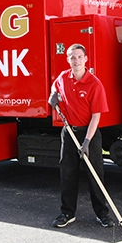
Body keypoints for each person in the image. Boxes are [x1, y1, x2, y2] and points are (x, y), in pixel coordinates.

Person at [48, 43, 113, 229]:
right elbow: (55, 86)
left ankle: (103, 214)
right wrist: (53, 96)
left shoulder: (94, 84)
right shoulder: (63, 77)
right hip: (69, 132)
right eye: (72, 57)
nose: (76, 60)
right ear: (68, 59)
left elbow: (96, 116)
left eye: (79, 57)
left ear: (85, 59)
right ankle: (67, 213)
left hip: (89, 133)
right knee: (67, 173)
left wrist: (87, 141)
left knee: (95, 175)